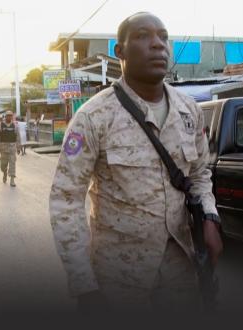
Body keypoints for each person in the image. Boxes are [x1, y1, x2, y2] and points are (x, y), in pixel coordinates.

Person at [49, 12, 223, 311]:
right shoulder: (93, 117)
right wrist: (84, 284)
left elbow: (199, 173)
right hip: (118, 277)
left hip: (181, 269)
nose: (158, 45)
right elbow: (66, 200)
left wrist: (209, 217)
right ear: (121, 52)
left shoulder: (189, 110)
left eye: (163, 37)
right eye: (143, 36)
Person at [0, 112, 20, 187]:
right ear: (5, 117)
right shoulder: (0, 125)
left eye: (10, 116)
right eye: (7, 116)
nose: (9, 117)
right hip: (3, 148)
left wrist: (18, 147)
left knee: (12, 163)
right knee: (3, 165)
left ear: (12, 117)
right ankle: (4, 172)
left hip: (12, 148)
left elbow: (18, 137)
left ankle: (12, 180)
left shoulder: (15, 126)